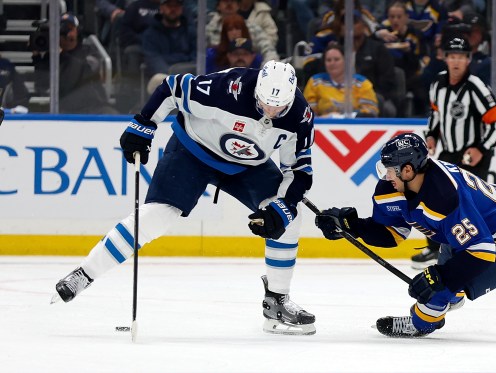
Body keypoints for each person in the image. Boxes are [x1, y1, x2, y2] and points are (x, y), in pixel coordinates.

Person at [52, 61, 317, 335]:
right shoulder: (227, 88)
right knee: (158, 216)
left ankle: (277, 300)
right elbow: (171, 88)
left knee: (289, 218)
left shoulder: (300, 116)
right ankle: (83, 274)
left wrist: (282, 208)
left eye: (278, 108)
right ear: (257, 91)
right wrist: (144, 124)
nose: (271, 112)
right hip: (193, 152)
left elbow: (299, 169)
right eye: (264, 104)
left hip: (248, 165)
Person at [315, 133, 496, 337]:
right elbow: (391, 234)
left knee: (438, 291)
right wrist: (353, 227)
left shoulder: (444, 197)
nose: (386, 176)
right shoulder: (391, 188)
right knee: (441, 285)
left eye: (390, 169)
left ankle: (425, 319)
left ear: (407, 170)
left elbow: (482, 251)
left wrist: (443, 278)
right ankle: (451, 296)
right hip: (459, 240)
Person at [412, 36, 496, 269]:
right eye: (452, 56)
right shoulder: (438, 84)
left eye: (461, 57)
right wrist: (431, 135)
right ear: (445, 58)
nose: (456, 61)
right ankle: (434, 248)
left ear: (468, 59)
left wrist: (481, 149)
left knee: (469, 204)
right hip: (449, 153)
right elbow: (435, 114)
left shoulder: (476, 86)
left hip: (473, 154)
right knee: (433, 195)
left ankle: (477, 250)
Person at [32, 13, 118, 114]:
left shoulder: (90, 51)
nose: (66, 32)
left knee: (111, 113)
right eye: (62, 29)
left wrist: (62, 54)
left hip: (93, 106)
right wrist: (37, 57)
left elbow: (88, 69)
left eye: (70, 28)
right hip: (65, 108)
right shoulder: (52, 57)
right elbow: (42, 84)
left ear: (77, 30)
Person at [303, 42, 379, 117]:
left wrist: (347, 116)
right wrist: (326, 118)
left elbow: (371, 111)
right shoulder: (315, 82)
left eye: (336, 59)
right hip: (322, 127)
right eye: (328, 60)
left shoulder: (362, 83)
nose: (332, 63)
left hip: (355, 126)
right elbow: (306, 113)